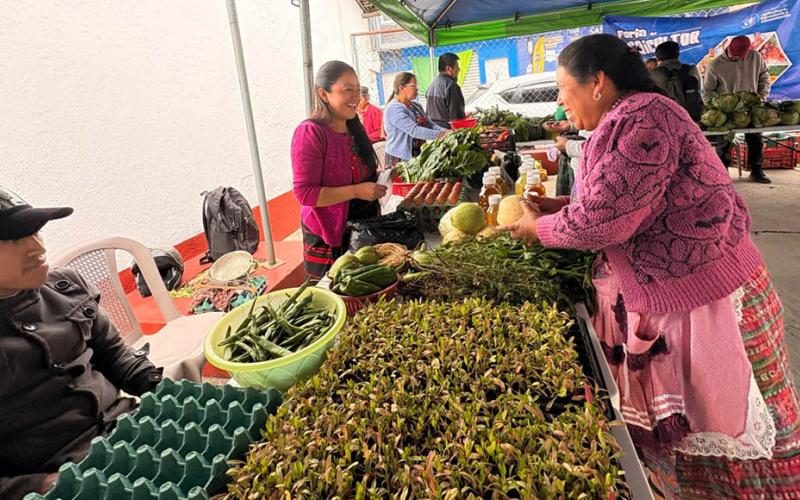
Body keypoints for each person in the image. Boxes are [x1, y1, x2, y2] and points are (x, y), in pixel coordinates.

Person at [498, 34, 800, 498]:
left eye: (562, 88)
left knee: (724, 434)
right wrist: (559, 206)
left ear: (597, 82)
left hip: (708, 300)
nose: (559, 102)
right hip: (686, 294)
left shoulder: (645, 117)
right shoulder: (628, 117)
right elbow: (620, 200)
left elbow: (606, 219)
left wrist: (538, 229)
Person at [0, 186, 163, 500]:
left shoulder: (67, 287)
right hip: (66, 480)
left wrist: (160, 388)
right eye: (12, 239)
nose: (36, 247)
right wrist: (44, 485)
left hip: (131, 431)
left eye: (35, 232)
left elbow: (114, 355)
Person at [291, 61, 386, 280]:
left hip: (363, 226)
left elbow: (358, 174)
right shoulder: (310, 133)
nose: (356, 97)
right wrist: (356, 191)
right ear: (323, 94)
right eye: (347, 90)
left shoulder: (354, 127)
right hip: (328, 232)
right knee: (336, 291)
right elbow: (305, 194)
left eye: (357, 89)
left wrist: (381, 179)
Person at [703, 35, 772, 183]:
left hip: (752, 108)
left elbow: (764, 76)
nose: (739, 59)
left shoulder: (755, 57)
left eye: (742, 56)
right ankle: (722, 173)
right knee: (724, 143)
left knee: (756, 140)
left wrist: (762, 94)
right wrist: (715, 112)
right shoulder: (715, 65)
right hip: (727, 113)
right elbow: (707, 92)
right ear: (729, 49)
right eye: (735, 57)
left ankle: (757, 171)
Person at [383, 72, 447, 167]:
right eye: (413, 85)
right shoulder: (394, 109)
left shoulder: (416, 106)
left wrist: (447, 132)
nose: (417, 88)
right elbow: (414, 131)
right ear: (401, 88)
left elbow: (430, 125)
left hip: (417, 155)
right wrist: (441, 135)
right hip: (400, 159)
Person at [651, 41, 703, 121]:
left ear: (657, 58)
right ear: (678, 54)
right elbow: (699, 88)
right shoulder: (692, 69)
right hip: (692, 118)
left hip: (667, 119)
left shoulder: (653, 75)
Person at [425, 52, 466, 128]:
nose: (459, 69)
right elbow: (457, 117)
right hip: (448, 133)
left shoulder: (431, 86)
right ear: (448, 69)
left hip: (435, 132)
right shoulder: (451, 85)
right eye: (457, 66)